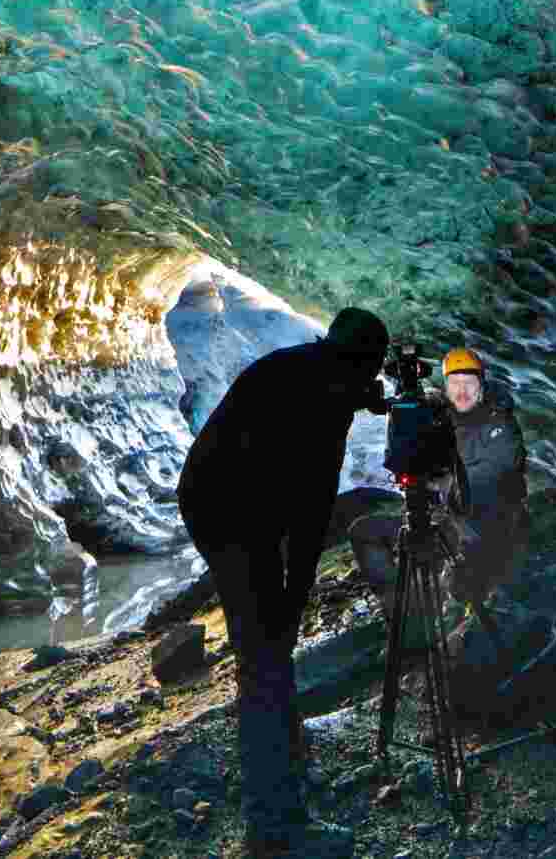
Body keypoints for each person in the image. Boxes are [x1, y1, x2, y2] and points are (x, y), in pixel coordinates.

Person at [175, 306, 389, 859]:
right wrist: (293, 602)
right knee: (264, 652)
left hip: (217, 495)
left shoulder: (308, 367)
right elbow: (312, 516)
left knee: (268, 643)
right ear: (359, 367)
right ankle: (274, 828)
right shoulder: (326, 399)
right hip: (233, 513)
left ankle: (285, 746)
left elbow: (303, 497)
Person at [349, 346, 530, 620]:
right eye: (454, 384)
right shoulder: (440, 416)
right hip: (443, 520)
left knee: (459, 590)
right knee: (364, 532)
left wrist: (440, 483)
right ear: (446, 386)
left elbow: (493, 476)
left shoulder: (499, 424)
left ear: (481, 385)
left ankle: (450, 609)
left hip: (483, 526)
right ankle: (405, 614)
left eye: (469, 383)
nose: (462, 391)